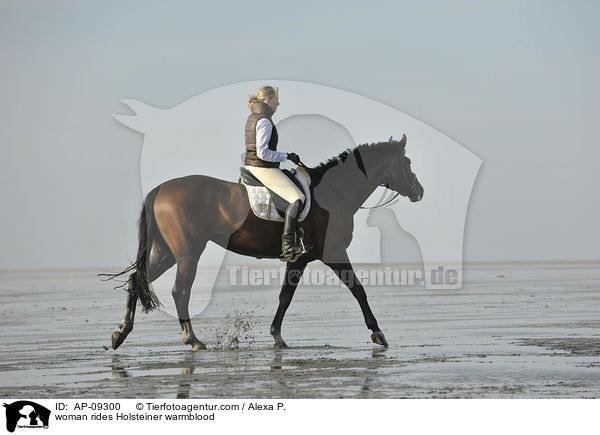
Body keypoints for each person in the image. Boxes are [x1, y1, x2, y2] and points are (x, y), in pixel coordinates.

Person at [244, 86, 304, 260]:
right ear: (268, 100)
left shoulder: (252, 117)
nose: (278, 103)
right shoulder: (264, 121)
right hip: (262, 167)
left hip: (253, 166)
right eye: (276, 99)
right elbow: (263, 153)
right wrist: (287, 156)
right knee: (297, 198)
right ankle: (288, 245)